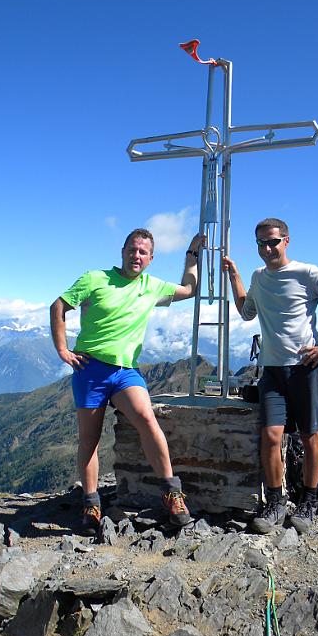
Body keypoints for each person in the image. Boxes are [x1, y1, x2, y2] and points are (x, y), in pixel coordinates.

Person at [50, 228, 204, 534]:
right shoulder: (95, 279)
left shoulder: (151, 286)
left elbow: (190, 289)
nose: (137, 256)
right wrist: (63, 350)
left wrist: (192, 255)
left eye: (143, 252)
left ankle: (173, 494)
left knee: (147, 418)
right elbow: (58, 306)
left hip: (124, 371)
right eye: (133, 250)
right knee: (89, 439)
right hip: (90, 369)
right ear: (123, 251)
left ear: (150, 258)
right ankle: (91, 503)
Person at [223, 218, 318, 534]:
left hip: (306, 368)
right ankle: (275, 502)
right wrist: (235, 275)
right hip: (272, 369)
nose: (267, 249)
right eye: (261, 243)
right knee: (271, 436)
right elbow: (247, 311)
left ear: (286, 241)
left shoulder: (307, 273)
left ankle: (309, 502)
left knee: (310, 436)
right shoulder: (258, 276)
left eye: (273, 242)